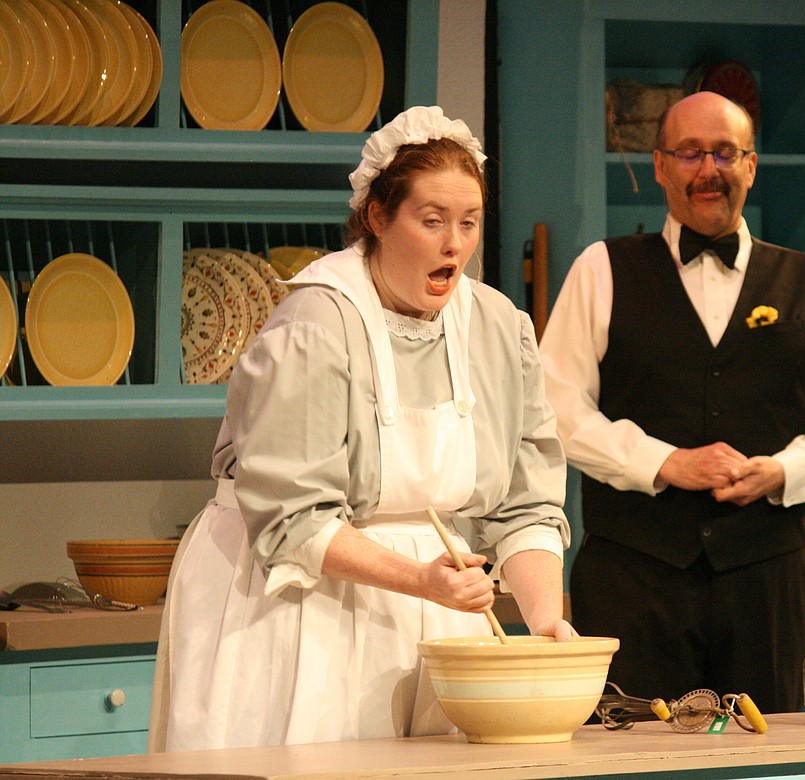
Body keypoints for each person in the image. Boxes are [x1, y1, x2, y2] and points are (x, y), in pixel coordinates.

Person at [150, 106, 573, 751]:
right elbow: (293, 517)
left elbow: (524, 502)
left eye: (469, 223)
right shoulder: (314, 326)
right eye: (430, 222)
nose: (454, 245)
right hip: (299, 599)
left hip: (436, 606)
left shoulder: (497, 328)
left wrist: (546, 624)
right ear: (377, 217)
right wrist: (419, 579)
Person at [539, 91, 805, 713]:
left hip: (767, 579)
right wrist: (663, 462)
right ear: (661, 166)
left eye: (725, 153)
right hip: (632, 580)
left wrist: (784, 471)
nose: (708, 170)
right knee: (629, 761)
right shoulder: (601, 270)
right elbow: (553, 411)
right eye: (691, 153)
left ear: (750, 166)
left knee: (767, 758)